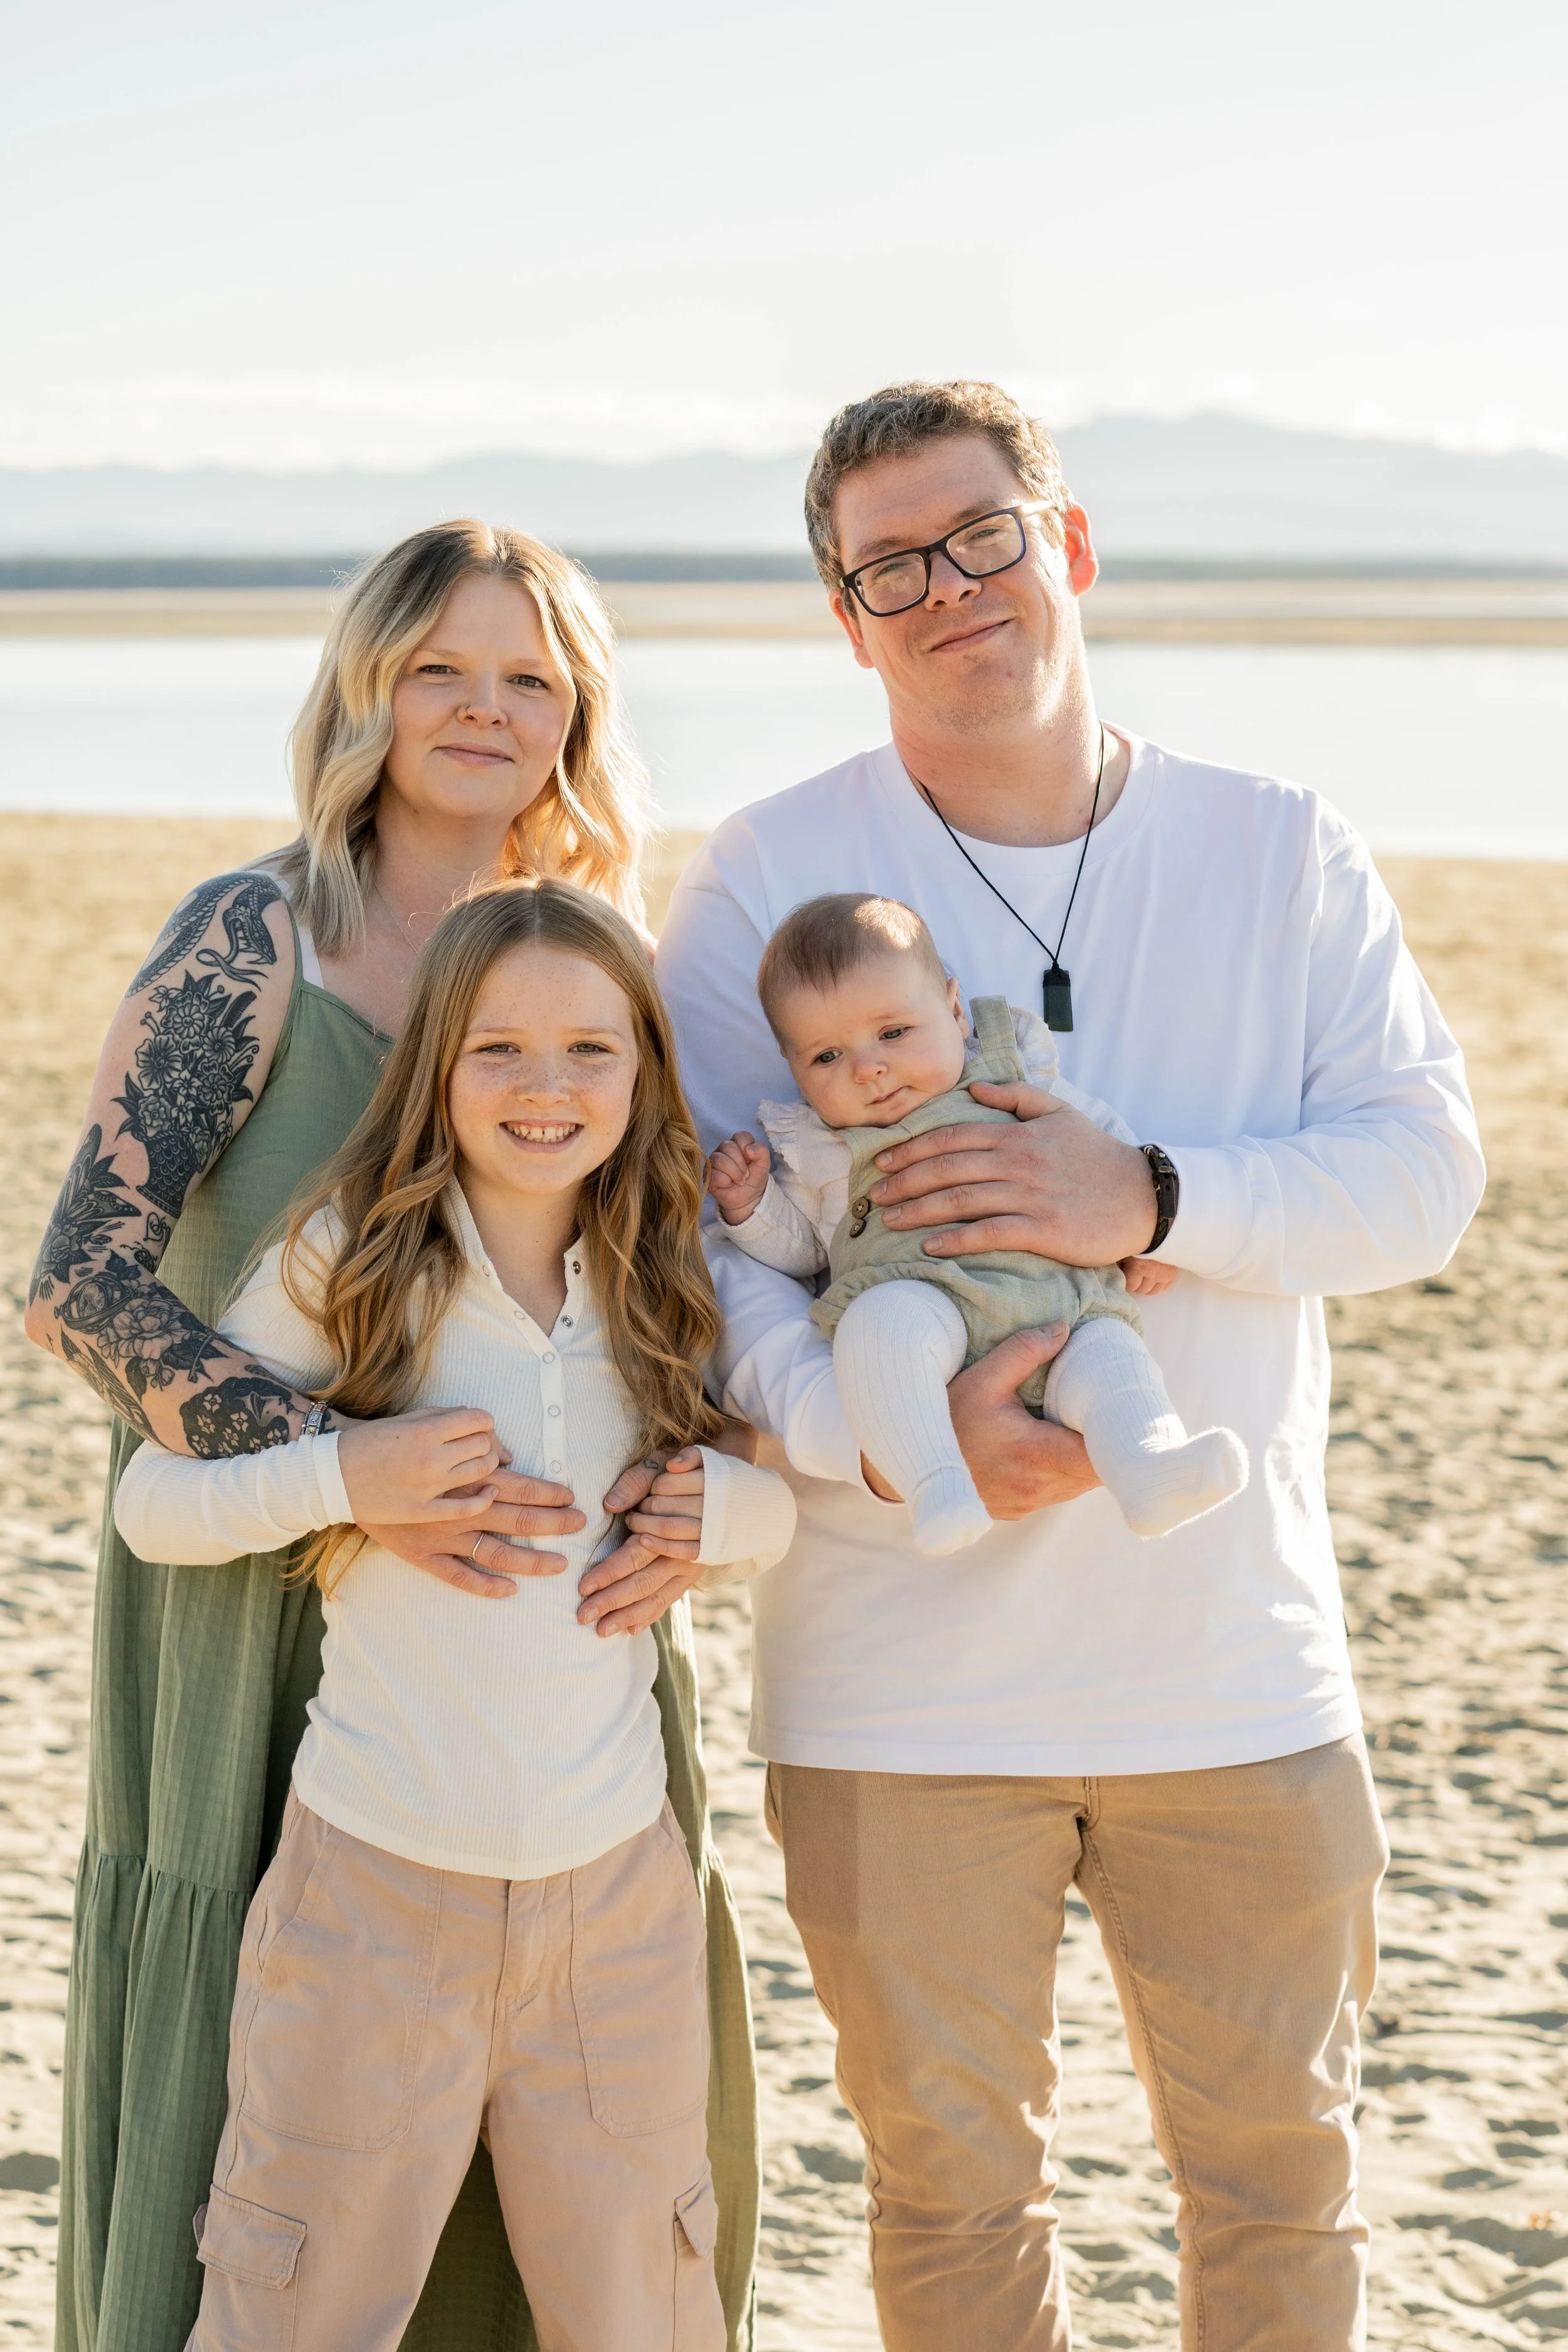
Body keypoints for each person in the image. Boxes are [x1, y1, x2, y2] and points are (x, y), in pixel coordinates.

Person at [655, 379, 1485, 2351]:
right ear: (844, 623)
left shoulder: (1278, 849)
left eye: (980, 536)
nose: (947, 591)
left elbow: (1420, 1177)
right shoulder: (758, 875)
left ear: (1068, 544)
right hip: (896, 1690)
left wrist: (1151, 1191)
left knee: (1278, 2186)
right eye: (887, 567)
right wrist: (881, 1436)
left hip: (1234, 1664)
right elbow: (694, 1260)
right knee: (949, 2200)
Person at [26, 521, 760, 2352]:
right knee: (285, 2162)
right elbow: (79, 1281)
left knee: (582, 2144)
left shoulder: (595, 967)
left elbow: (686, 1287)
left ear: (577, 710)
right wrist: (355, 1486)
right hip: (266, 1570)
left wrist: (689, 1496)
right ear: (368, 687)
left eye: (530, 674)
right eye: (441, 665)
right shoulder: (254, 936)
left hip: (540, 1658)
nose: (484, 707)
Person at [111, 881, 796, 2350]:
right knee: (291, 2309)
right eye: (499, 1049)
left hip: (615, 1900)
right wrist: (345, 1473)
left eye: (590, 1050)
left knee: (648, 2315)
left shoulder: (675, 1263)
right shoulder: (353, 1256)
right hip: (371, 1891)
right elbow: (152, 1510)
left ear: (645, 1068)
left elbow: (781, 1489)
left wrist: (714, 1518)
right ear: (436, 1064)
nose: (546, 1087)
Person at [708, 889, 1246, 1552]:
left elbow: (1102, 1149)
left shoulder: (1011, 1075)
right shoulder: (819, 1149)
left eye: (893, 1033)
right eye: (826, 1057)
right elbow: (803, 1252)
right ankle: (937, 1483)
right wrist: (752, 1209)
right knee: (875, 1330)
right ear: (793, 1068)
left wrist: (1152, 1224)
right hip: (928, 1309)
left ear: (955, 1010)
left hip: (1062, 1308)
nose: (868, 1068)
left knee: (1113, 1360)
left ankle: (1152, 1466)